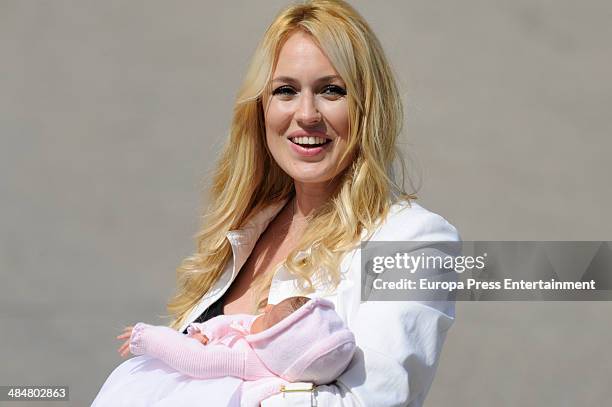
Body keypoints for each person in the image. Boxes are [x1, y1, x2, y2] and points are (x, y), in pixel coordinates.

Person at [93, 0, 460, 406]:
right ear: (261, 108)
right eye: (286, 90)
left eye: (332, 91)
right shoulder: (248, 228)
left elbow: (368, 401)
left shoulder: (414, 240)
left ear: (368, 107)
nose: (306, 114)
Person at [93, 297, 356, 406]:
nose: (266, 307)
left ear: (271, 341)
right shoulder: (273, 355)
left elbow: (196, 360)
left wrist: (147, 337)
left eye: (269, 316)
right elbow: (233, 322)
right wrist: (204, 330)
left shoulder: (244, 359)